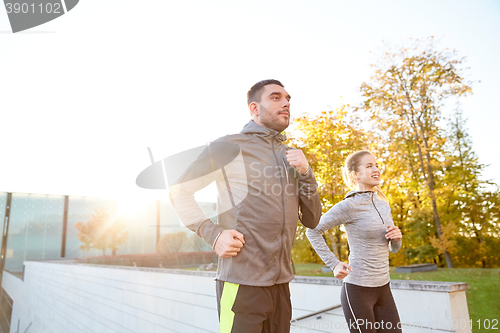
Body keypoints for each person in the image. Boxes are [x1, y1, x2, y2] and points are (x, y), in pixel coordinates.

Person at [169, 79, 322, 333]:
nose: (286, 103)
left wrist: (307, 173)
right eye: (275, 97)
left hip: (281, 287)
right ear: (254, 108)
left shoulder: (292, 156)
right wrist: (214, 234)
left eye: (288, 99)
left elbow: (312, 219)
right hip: (241, 285)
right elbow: (179, 191)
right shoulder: (229, 146)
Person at [306, 150, 403, 333]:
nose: (376, 169)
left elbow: (394, 249)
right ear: (355, 174)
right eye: (369, 166)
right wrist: (334, 264)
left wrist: (397, 239)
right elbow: (313, 230)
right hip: (358, 290)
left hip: (384, 288)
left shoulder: (383, 204)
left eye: (376, 165)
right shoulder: (350, 205)